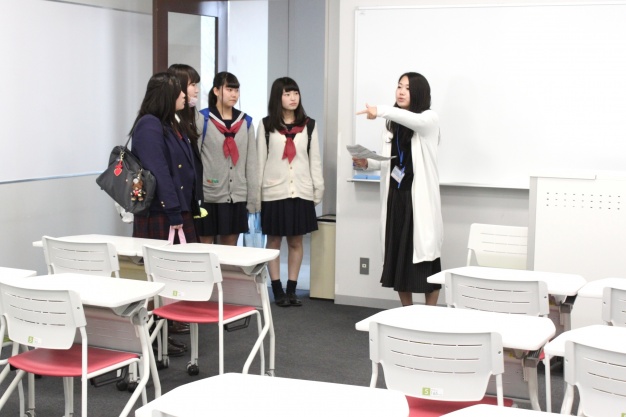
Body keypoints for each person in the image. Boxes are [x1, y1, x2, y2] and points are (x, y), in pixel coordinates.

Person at [353, 72, 443, 307]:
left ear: (419, 93)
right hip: (396, 198)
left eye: (408, 88)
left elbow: (414, 121)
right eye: (399, 86)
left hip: (418, 200)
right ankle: (407, 313)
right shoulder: (391, 124)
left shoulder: (429, 119)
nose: (401, 92)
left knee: (426, 262)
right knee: (399, 259)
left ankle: (430, 314)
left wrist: (380, 110)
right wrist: (368, 162)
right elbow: (389, 161)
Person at [130, 72, 200, 355]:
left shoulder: (170, 122)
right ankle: (154, 337)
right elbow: (159, 172)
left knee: (170, 275)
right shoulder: (149, 125)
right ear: (166, 95)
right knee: (159, 277)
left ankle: (163, 332)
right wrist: (174, 211)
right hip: (163, 212)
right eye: (179, 91)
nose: (185, 94)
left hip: (175, 208)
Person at [257, 77, 324, 307]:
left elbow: (315, 160)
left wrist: (317, 189)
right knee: (274, 240)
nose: (293, 98)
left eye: (295, 93)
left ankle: (292, 289)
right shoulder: (266, 125)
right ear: (278, 97)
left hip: (301, 191)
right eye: (287, 94)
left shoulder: (309, 125)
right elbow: (260, 162)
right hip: (274, 192)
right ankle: (277, 289)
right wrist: (256, 196)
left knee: (296, 241)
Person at [196, 71, 259, 245]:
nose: (234, 94)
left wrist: (253, 200)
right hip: (208, 196)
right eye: (229, 89)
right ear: (216, 91)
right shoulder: (202, 119)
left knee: (230, 250)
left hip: (236, 197)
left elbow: (251, 164)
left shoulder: (245, 122)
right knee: (203, 248)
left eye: (236, 90)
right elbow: (194, 160)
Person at [166, 64, 202, 338]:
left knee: (183, 263)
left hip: (187, 200)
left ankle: (177, 315)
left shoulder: (185, 118)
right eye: (191, 85)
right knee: (171, 265)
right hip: (174, 205)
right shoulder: (160, 123)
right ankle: (169, 320)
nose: (195, 90)